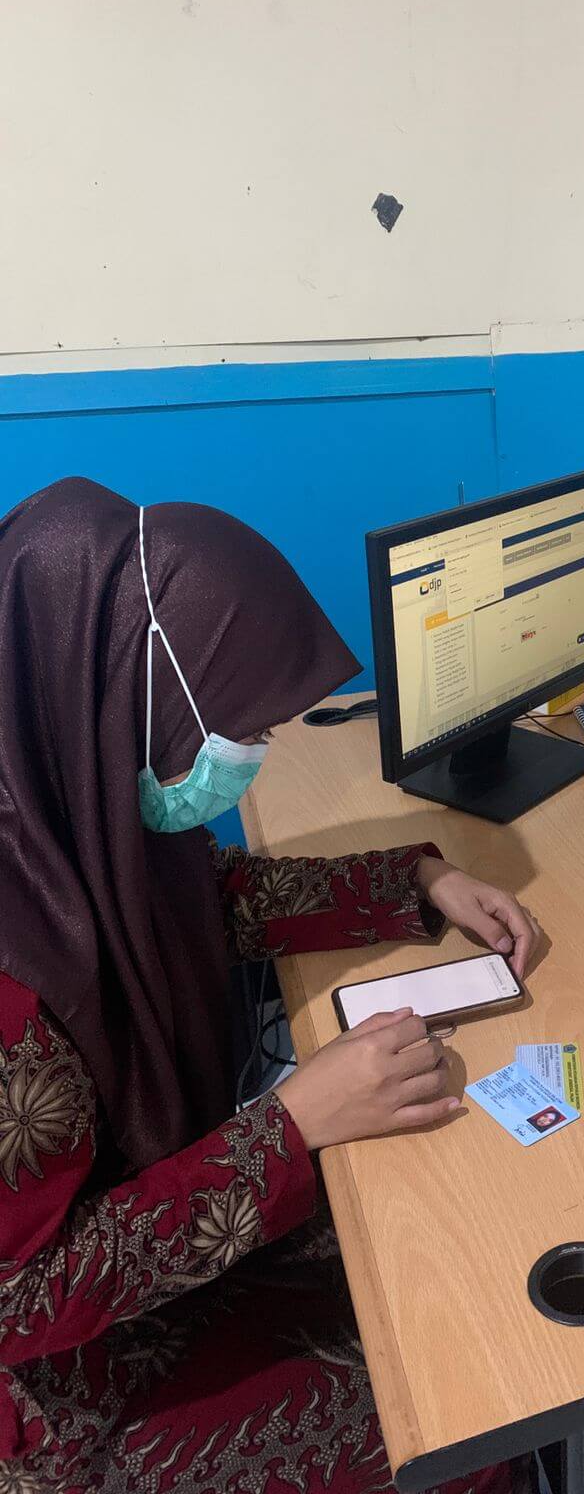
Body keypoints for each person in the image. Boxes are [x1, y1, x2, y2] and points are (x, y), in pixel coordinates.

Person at [0, 479, 540, 1494]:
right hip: (60, 1395)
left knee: (448, 1242)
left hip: (159, 1237)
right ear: (123, 686)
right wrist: (290, 1127)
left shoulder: (68, 803)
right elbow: (25, 1297)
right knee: (460, 1391)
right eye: (238, 727)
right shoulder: (11, 989)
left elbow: (213, 896)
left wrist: (416, 881)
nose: (253, 751)